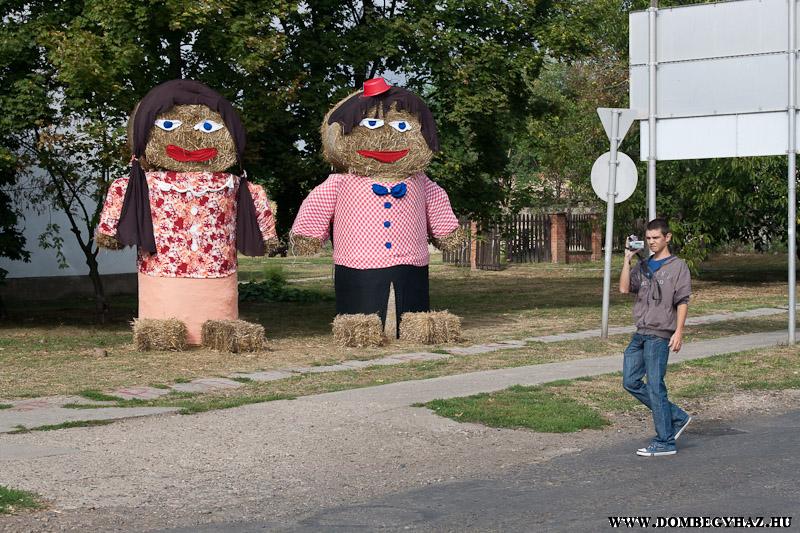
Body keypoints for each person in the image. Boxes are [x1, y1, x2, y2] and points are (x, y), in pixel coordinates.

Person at [619, 218, 692, 457]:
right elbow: (624, 289)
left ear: (667, 237)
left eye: (656, 238)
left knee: (655, 387)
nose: (651, 242)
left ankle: (665, 441)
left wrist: (679, 332)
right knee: (630, 381)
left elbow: (682, 301)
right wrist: (627, 260)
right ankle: (677, 416)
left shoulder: (678, 266)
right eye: (648, 238)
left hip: (659, 335)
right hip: (640, 333)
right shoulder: (643, 265)